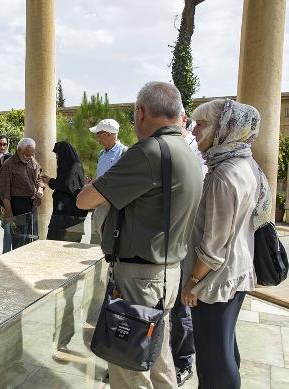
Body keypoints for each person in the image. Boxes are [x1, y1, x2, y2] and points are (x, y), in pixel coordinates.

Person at [77, 81, 203, 388]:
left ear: (141, 112)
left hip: (141, 275)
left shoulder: (149, 152)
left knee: (129, 368)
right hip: (167, 272)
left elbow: (84, 200)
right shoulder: (187, 152)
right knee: (157, 356)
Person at [181, 99, 270, 389]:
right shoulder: (246, 164)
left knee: (213, 361)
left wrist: (193, 282)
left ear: (226, 128)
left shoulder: (223, 174)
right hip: (235, 274)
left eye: (202, 125)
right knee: (224, 349)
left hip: (215, 282)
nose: (195, 131)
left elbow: (214, 245)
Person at [168, 109, 209, 386]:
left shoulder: (200, 154)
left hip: (188, 242)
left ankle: (184, 361)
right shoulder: (168, 149)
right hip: (168, 241)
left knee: (182, 308)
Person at [0, 138, 44, 249]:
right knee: (19, 241)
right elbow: (5, 192)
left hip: (32, 204)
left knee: (32, 238)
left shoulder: (32, 160)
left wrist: (40, 190)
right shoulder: (8, 164)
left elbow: (39, 179)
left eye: (31, 154)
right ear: (19, 150)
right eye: (26, 155)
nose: (29, 157)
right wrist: (10, 215)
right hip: (17, 204)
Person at [88, 119, 127, 244]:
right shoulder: (101, 153)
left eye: (99, 133)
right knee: (100, 240)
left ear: (108, 134)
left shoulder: (124, 152)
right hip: (100, 204)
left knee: (114, 242)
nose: (97, 137)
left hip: (114, 206)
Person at [41, 141, 88, 242]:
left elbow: (66, 185)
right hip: (63, 214)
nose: (57, 158)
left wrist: (50, 181)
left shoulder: (73, 166)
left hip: (68, 216)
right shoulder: (69, 166)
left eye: (58, 154)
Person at [0, 134, 12, 255]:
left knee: (8, 228)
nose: (2, 146)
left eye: (4, 144)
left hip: (7, 198)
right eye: (0, 144)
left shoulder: (11, 158)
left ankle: (6, 253)